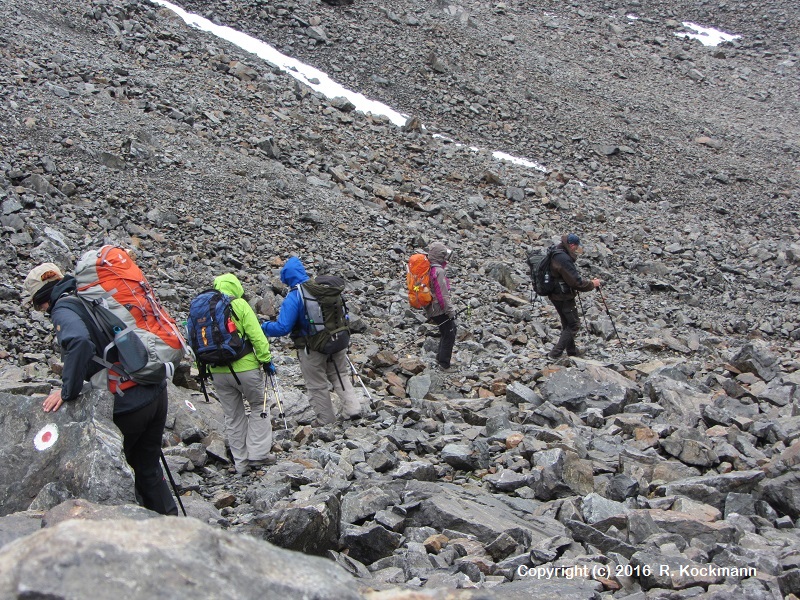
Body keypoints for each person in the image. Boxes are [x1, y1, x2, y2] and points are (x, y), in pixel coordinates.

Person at [23, 262, 178, 516]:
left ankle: (136, 538)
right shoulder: (90, 295)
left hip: (127, 402)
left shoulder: (63, 309)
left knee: (118, 473)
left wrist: (67, 391)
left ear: (42, 299)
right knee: (148, 467)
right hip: (154, 389)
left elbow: (80, 343)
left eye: (37, 305)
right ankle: (175, 531)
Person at [262, 257, 361, 426]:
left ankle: (326, 421)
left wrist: (264, 327)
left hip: (312, 347)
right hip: (337, 340)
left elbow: (283, 328)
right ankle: (353, 410)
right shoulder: (323, 288)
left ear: (286, 277)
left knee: (317, 384)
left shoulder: (295, 296)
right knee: (340, 375)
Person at [206, 273, 276, 475]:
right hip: (245, 367)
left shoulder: (204, 308)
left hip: (217, 371)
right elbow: (257, 336)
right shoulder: (239, 305)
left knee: (233, 415)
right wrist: (266, 360)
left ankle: (241, 463)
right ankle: (258, 455)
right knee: (259, 405)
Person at [547, 233, 601, 358]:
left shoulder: (556, 250)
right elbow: (576, 282)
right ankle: (555, 353)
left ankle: (572, 352)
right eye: (576, 247)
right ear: (572, 245)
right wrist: (592, 284)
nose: (576, 250)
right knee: (574, 324)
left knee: (567, 323)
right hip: (563, 296)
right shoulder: (563, 258)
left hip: (554, 293)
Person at [423, 242, 457, 372]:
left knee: (446, 331)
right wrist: (450, 311)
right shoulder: (439, 271)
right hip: (438, 308)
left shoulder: (429, 268)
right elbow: (443, 295)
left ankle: (440, 359)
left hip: (431, 307)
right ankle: (444, 364)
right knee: (450, 333)